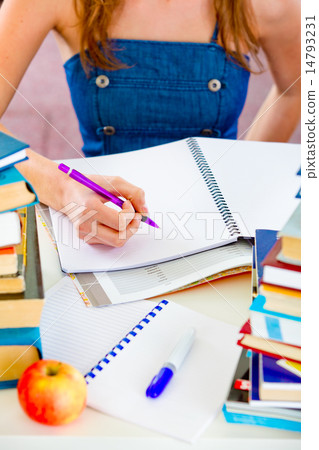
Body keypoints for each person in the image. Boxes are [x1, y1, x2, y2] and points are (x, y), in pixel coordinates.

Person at [0, 0, 301, 247]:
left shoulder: (270, 5)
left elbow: (298, 87)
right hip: (100, 227)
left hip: (220, 235)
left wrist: (247, 171)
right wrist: (65, 189)